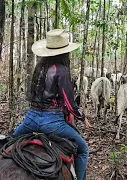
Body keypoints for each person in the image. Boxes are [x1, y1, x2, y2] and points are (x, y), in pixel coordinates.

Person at [13, 29, 92, 180]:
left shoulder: (39, 68)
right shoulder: (61, 70)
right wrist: (82, 117)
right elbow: (69, 103)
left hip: (30, 120)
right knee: (83, 150)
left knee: (8, 143)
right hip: (53, 124)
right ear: (65, 52)